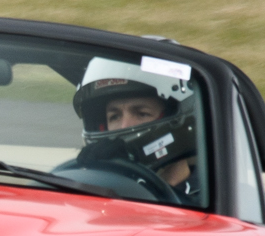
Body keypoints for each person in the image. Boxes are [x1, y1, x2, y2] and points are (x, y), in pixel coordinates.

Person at [68, 57, 201, 205]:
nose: (124, 126)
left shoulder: (206, 199)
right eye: (114, 116)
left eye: (142, 113)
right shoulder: (104, 189)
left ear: (178, 121)